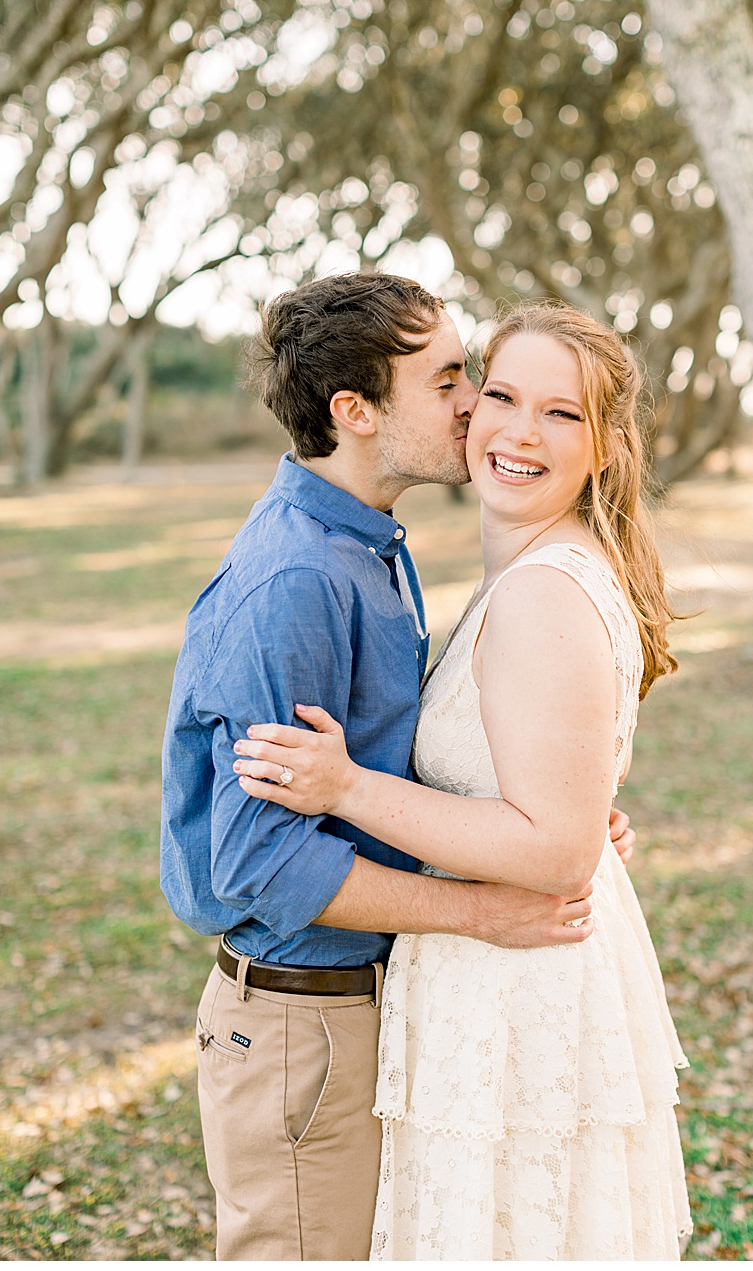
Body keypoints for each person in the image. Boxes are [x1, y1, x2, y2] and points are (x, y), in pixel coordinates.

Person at [161, 273, 634, 1259]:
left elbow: (410, 758)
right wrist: (478, 906)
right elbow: (257, 862)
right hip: (300, 1027)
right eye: (453, 379)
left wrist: (548, 810)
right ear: (356, 411)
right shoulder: (295, 583)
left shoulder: (374, 546)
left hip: (369, 1014)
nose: (476, 404)